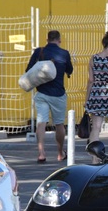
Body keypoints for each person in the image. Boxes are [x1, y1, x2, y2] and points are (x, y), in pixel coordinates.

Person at [25, 30, 73, 163]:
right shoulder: (64, 53)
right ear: (59, 40)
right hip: (58, 94)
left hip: (42, 93)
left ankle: (41, 153)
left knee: (41, 122)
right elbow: (70, 70)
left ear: (47, 39)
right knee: (59, 124)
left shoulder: (39, 52)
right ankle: (60, 153)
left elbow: (28, 70)